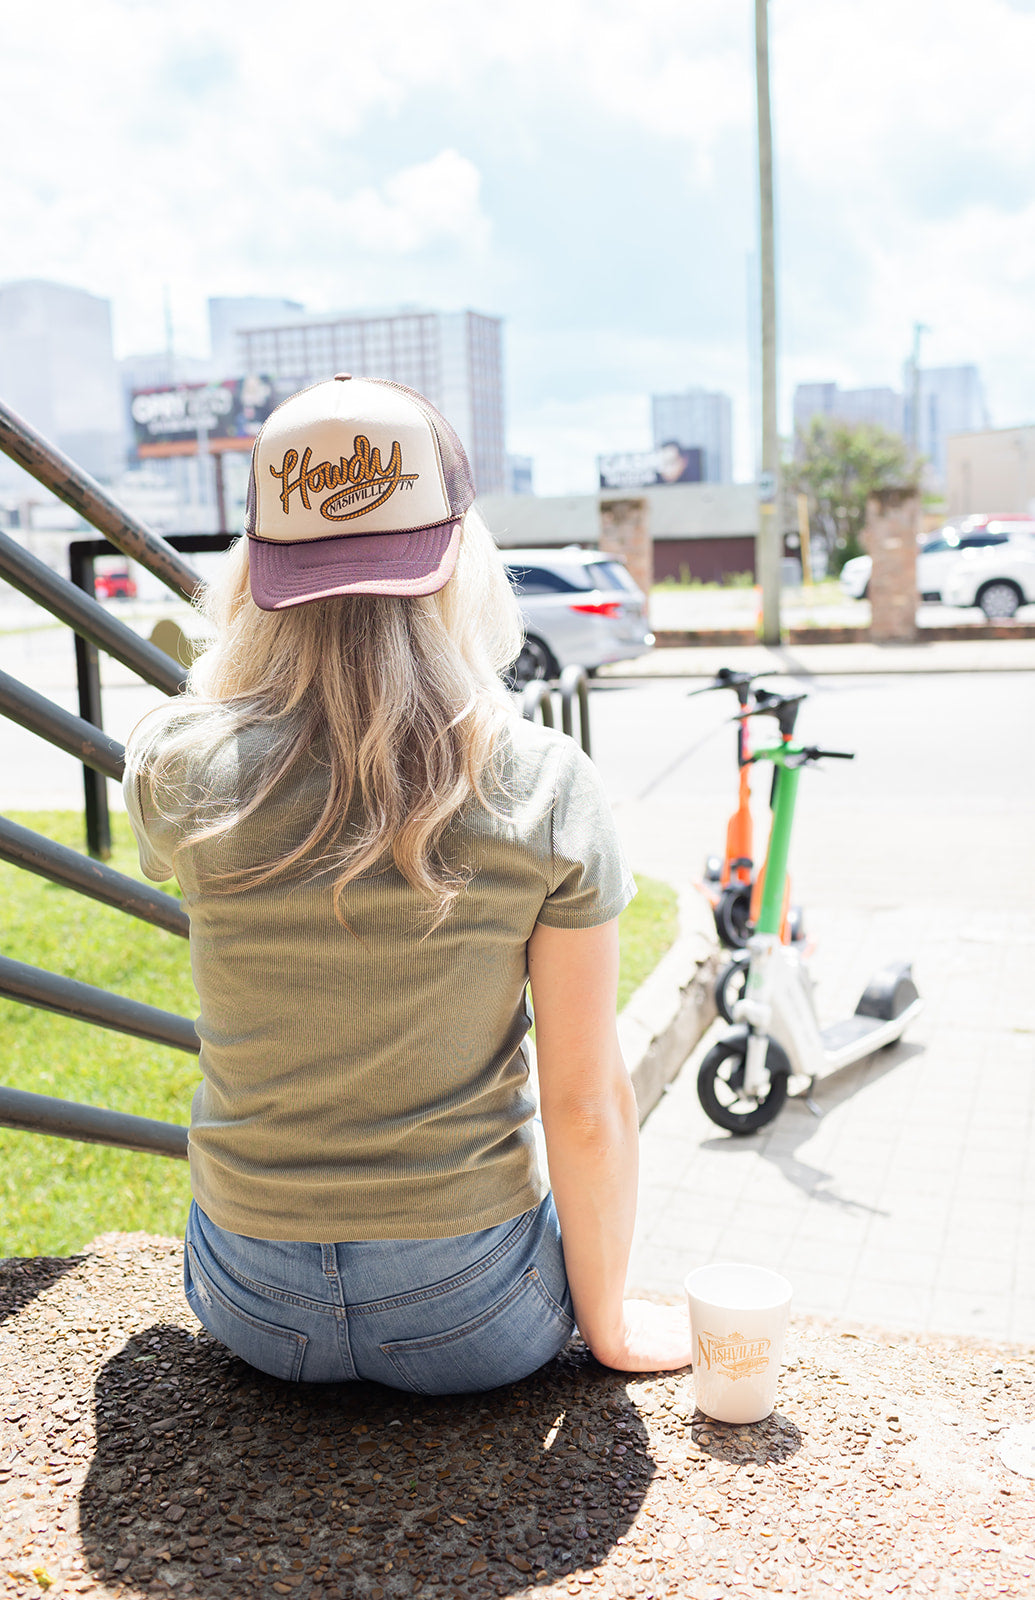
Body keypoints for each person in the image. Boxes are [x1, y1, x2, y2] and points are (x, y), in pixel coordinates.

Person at [124, 374, 692, 1395]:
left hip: (247, 1296)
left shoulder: (174, 765)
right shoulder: (545, 781)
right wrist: (606, 1326)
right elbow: (586, 1101)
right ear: (458, 560)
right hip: (471, 1310)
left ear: (255, 573)